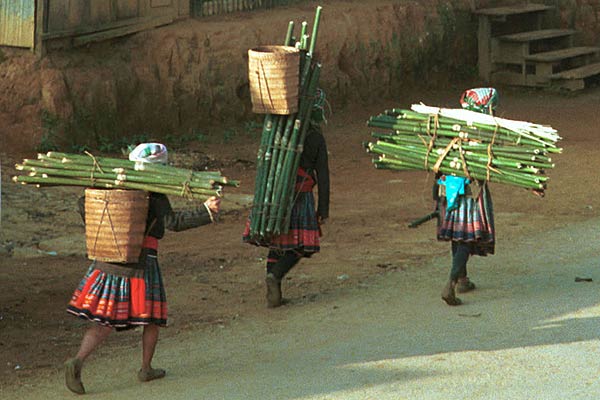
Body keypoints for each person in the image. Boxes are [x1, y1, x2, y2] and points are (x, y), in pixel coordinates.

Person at [64, 143, 221, 394]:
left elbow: (83, 204)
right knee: (152, 319)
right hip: (142, 261)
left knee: (104, 320)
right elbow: (173, 222)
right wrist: (206, 211)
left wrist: (106, 231)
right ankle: (146, 368)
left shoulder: (111, 182)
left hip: (108, 259)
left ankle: (78, 360)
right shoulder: (153, 192)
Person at [244, 89, 330, 308]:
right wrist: (323, 209)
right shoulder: (314, 137)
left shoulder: (276, 130)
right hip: (300, 196)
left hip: (273, 190)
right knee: (299, 246)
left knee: (277, 239)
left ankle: (274, 291)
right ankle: (276, 276)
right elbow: (324, 174)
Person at [436, 88, 497, 306]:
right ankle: (451, 283)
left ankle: (462, 278)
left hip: (446, 188)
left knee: (456, 235)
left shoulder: (450, 124)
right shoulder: (484, 130)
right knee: (466, 236)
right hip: (469, 191)